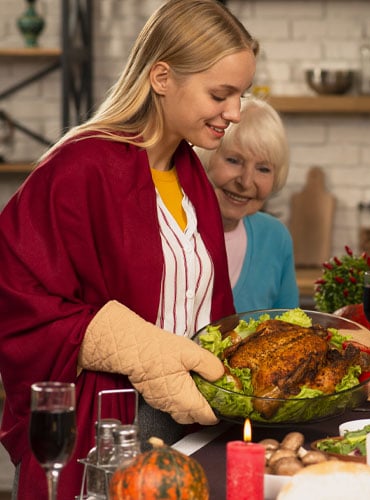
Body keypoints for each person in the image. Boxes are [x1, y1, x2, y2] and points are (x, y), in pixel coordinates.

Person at [0, 0, 257, 497]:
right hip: (106, 436)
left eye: (241, 95)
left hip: (185, 435)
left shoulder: (190, 176)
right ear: (162, 76)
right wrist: (132, 345)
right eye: (221, 94)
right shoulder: (81, 167)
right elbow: (16, 301)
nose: (236, 113)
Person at [195, 96, 299, 312]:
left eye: (263, 169)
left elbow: (289, 329)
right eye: (233, 160)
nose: (245, 182)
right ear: (205, 158)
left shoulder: (275, 237)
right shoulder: (171, 231)